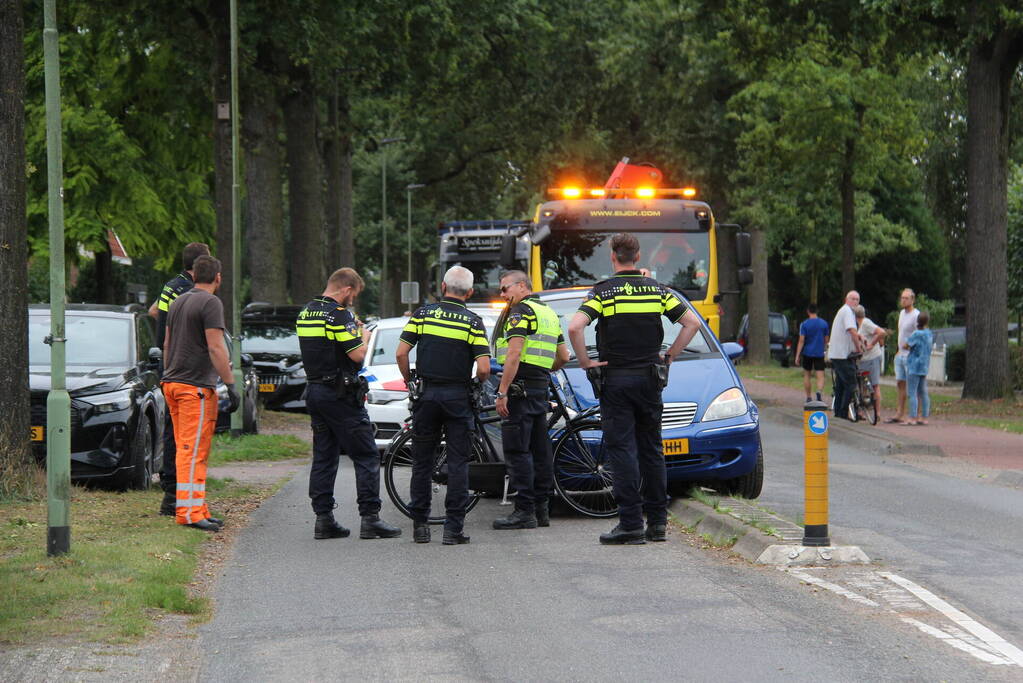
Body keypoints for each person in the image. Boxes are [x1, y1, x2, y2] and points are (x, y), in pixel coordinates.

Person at [567, 233, 702, 545]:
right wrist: (670, 356)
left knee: (623, 450)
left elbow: (575, 327)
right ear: (638, 257)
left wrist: (586, 362)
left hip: (615, 379)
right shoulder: (657, 291)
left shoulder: (603, 293)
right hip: (649, 379)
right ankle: (657, 524)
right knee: (652, 449)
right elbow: (691, 323)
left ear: (613, 257)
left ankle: (630, 524)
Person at [297, 268, 401, 541]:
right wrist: (364, 338)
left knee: (324, 456)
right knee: (366, 454)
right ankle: (370, 519)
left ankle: (323, 519)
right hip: (340, 394)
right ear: (346, 289)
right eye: (353, 294)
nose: (352, 299)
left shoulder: (306, 312)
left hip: (316, 391)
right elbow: (356, 355)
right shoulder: (338, 314)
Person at [396, 266, 490, 545]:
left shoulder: (422, 315)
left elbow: (401, 352)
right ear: (470, 292)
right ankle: (453, 529)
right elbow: (484, 368)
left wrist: (409, 379)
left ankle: (420, 527)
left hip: (426, 396)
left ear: (443, 286)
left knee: (422, 462)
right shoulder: (473, 322)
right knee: (459, 462)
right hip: (458, 398)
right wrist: (475, 383)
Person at [162, 255, 239, 532]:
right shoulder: (211, 303)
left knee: (191, 448)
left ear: (193, 276)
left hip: (173, 383)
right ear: (218, 278)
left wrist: (168, 373)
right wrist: (230, 384)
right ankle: (189, 513)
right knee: (192, 451)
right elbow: (216, 347)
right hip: (194, 387)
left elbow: (167, 343)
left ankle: (197, 506)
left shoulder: (178, 301)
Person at [491, 270, 570, 530]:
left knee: (517, 450)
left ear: (522, 286)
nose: (503, 295)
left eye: (505, 289)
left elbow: (513, 354)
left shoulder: (520, 311)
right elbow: (563, 357)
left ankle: (524, 511)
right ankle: (541, 509)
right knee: (540, 449)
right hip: (538, 386)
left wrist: (502, 391)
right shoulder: (547, 312)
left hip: (519, 387)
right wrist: (542, 369)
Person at [149, 242, 211, 517]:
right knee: (186, 436)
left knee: (172, 429)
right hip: (185, 369)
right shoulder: (191, 291)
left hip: (167, 365)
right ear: (201, 266)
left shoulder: (170, 286)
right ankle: (178, 497)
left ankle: (172, 492)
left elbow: (154, 312)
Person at [827, 291, 863, 420]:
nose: (855, 301)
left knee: (841, 384)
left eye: (857, 299)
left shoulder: (844, 311)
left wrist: (858, 336)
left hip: (837, 353)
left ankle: (838, 412)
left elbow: (850, 332)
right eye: (852, 299)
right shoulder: (847, 311)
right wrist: (859, 348)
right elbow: (852, 331)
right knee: (851, 383)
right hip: (842, 355)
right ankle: (843, 413)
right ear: (846, 300)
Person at [888, 288, 919, 424]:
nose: (903, 300)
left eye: (906, 298)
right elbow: (901, 333)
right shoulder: (901, 313)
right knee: (900, 384)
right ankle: (899, 413)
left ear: (912, 300)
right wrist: (899, 350)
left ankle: (914, 415)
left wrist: (910, 346)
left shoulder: (916, 315)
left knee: (912, 386)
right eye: (902, 298)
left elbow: (920, 335)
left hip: (911, 356)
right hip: (900, 354)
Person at [854, 305, 886, 418]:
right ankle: (863, 411)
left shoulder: (866, 323)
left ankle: (877, 413)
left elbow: (881, 332)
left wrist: (872, 344)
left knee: (875, 385)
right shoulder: (859, 326)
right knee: (863, 385)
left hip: (872, 358)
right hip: (864, 359)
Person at [794, 304, 829, 403]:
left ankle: (809, 397)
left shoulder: (804, 324)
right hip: (819, 353)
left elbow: (801, 340)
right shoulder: (824, 324)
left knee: (807, 375)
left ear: (808, 311)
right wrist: (826, 350)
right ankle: (818, 392)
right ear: (817, 311)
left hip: (807, 353)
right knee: (820, 375)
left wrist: (797, 355)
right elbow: (826, 339)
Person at [903, 310, 933, 425]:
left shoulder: (916, 334)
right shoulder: (929, 333)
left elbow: (907, 345)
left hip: (914, 365)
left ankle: (912, 417)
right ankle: (924, 417)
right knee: (923, 392)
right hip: (924, 365)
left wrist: (908, 347)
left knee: (912, 392)